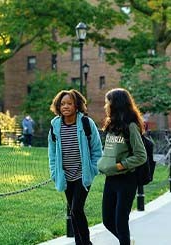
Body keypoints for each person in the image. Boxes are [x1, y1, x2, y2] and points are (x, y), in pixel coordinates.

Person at [48, 89, 103, 245]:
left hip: (82, 175)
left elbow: (97, 149)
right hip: (65, 176)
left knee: (76, 209)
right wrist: (54, 172)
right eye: (62, 104)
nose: (65, 106)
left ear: (77, 105)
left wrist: (92, 169)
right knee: (74, 212)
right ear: (58, 106)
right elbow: (52, 152)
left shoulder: (86, 123)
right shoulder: (55, 125)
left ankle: (86, 243)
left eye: (69, 103)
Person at [98, 88, 147, 245]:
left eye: (108, 102)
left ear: (116, 104)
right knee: (107, 220)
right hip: (111, 179)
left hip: (126, 179)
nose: (106, 105)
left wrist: (121, 166)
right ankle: (127, 241)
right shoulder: (111, 125)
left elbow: (141, 156)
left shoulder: (131, 126)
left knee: (120, 220)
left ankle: (125, 242)